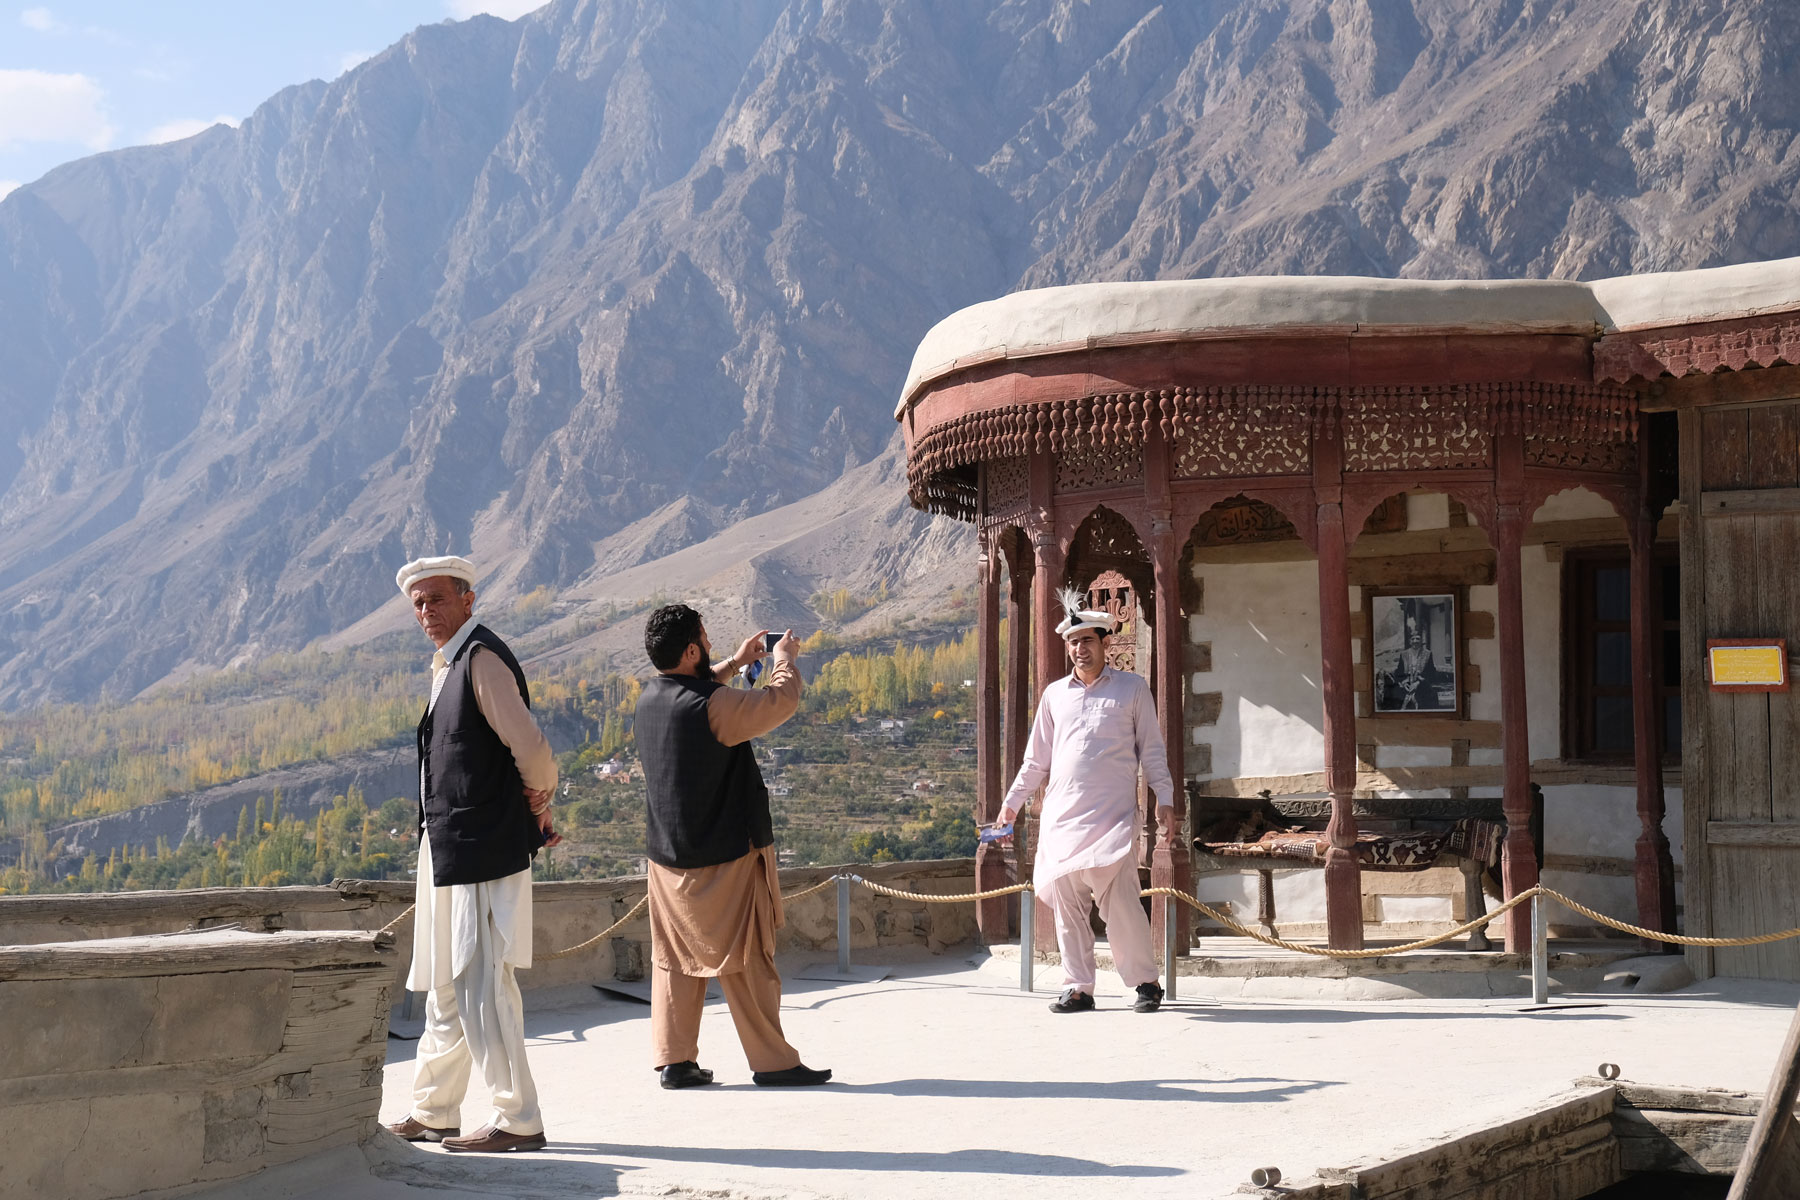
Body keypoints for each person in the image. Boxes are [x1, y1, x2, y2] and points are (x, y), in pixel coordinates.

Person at [382, 555, 559, 1153]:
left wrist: (542, 800)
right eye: (418, 604)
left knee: (483, 981)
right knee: (446, 984)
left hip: (482, 845)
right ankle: (434, 1111)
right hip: (451, 845)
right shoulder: (449, 664)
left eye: (436, 599)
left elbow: (529, 746)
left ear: (468, 600)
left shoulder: (480, 659)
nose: (426, 612)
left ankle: (518, 1119)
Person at [633, 603, 831, 1088]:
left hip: (667, 859)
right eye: (705, 639)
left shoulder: (649, 699)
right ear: (692, 649)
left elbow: (698, 688)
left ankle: (674, 1059)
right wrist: (783, 658)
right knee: (748, 954)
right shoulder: (714, 708)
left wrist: (738, 663)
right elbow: (777, 703)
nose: (712, 646)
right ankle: (773, 1061)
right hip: (725, 856)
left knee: (674, 957)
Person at [995, 587, 1175, 1014]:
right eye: (1073, 642)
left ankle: (1146, 984)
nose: (1079, 649)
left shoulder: (1132, 689)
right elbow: (1035, 760)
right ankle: (1079, 987)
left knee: (1123, 906)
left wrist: (1163, 797)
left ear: (1104, 643)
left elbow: (1152, 751)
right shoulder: (1054, 695)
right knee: (1067, 906)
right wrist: (1012, 803)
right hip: (1061, 819)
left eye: (1087, 640)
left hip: (1111, 819)